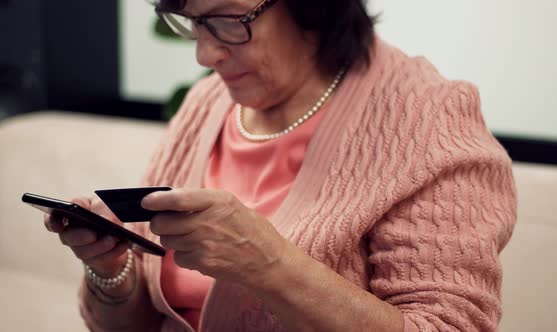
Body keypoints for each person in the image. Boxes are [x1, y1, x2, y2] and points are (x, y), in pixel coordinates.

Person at [44, 0, 517, 331]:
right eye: (190, 22)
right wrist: (112, 270)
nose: (205, 55)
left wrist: (268, 263)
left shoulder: (427, 116)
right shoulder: (207, 103)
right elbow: (136, 324)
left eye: (228, 20)